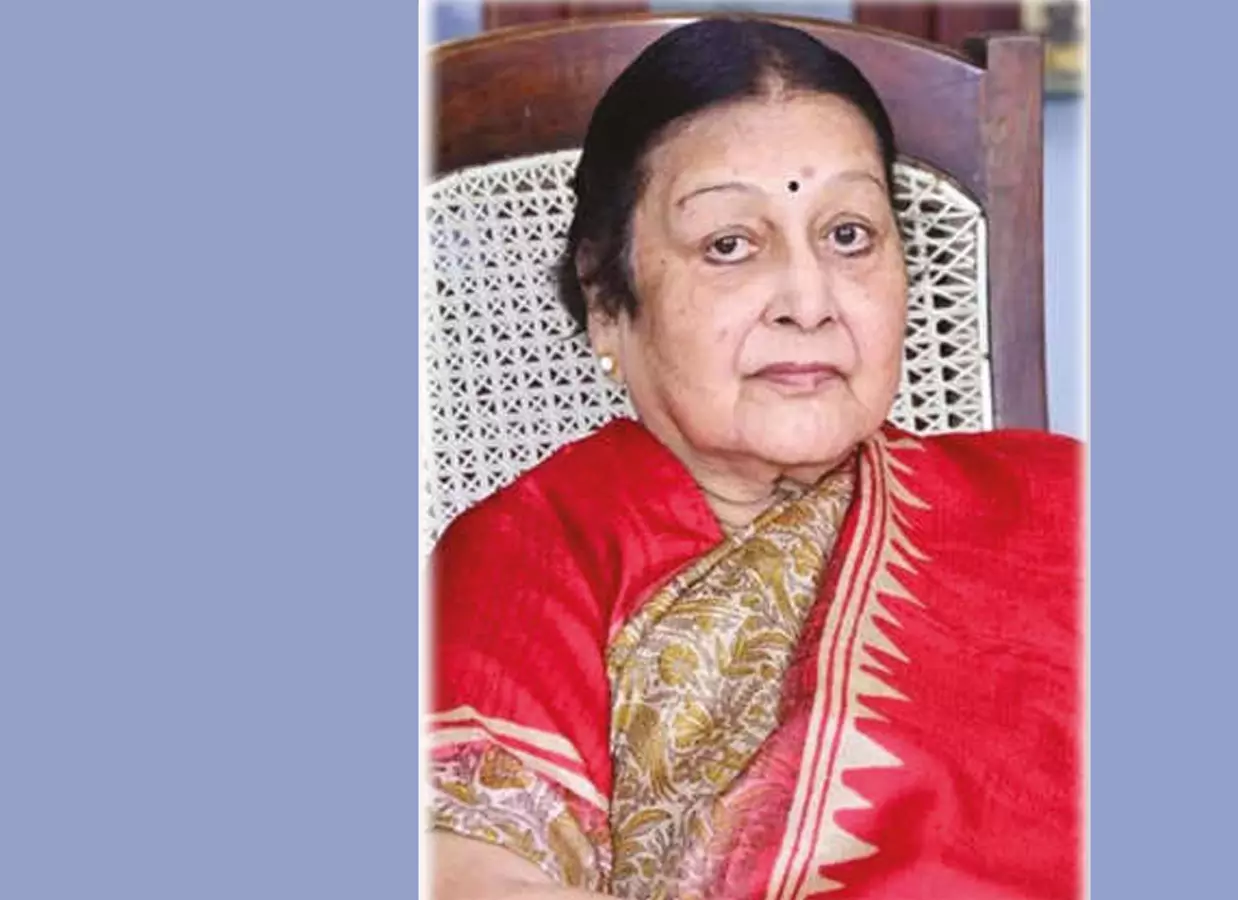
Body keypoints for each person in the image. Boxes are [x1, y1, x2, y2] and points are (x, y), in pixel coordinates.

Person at [427, 17, 1081, 900]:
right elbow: (475, 872)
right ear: (607, 297)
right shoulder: (529, 559)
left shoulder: (1060, 504)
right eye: (729, 244)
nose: (809, 301)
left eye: (849, 235)